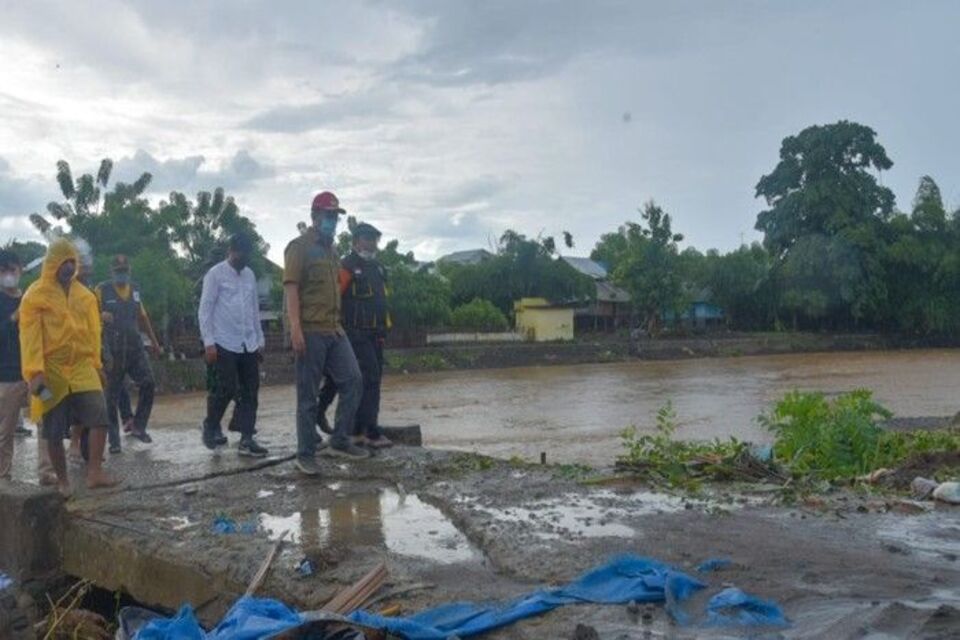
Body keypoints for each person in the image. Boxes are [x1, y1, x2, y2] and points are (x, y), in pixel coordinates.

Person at [19, 239, 117, 495]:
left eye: (72, 261)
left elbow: (94, 332)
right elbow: (29, 335)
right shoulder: (34, 295)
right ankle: (62, 480)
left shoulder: (85, 295)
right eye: (64, 261)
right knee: (53, 428)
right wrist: (34, 372)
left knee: (99, 414)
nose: (69, 266)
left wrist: (97, 365)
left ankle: (94, 472)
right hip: (49, 372)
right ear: (52, 262)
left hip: (83, 367)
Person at [284, 191, 366, 476]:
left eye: (335, 216)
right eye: (328, 216)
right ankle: (305, 454)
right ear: (314, 217)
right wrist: (295, 328)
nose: (333, 221)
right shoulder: (299, 248)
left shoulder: (331, 251)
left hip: (334, 329)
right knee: (307, 397)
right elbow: (291, 288)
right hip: (310, 330)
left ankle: (339, 439)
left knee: (353, 380)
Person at [315, 222, 393, 448]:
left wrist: (385, 329)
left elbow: (383, 302)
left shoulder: (379, 269)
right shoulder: (347, 267)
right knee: (365, 379)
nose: (371, 243)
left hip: (376, 335)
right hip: (353, 334)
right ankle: (366, 431)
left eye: (374, 239)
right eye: (366, 238)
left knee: (369, 380)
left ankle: (359, 428)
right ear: (356, 241)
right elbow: (333, 297)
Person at [198, 233, 268, 457]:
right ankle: (211, 424)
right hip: (223, 342)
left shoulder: (249, 275)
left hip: (248, 343)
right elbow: (205, 310)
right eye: (240, 253)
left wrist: (259, 340)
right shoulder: (215, 274)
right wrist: (208, 342)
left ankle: (247, 439)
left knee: (250, 391)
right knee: (226, 388)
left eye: (247, 254)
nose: (243, 258)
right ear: (231, 251)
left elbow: (254, 310)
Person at [0, 250, 55, 484]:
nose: (8, 275)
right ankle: (3, 475)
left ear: (21, 270)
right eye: (3, 271)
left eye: (12, 270)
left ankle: (46, 472)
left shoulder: (31, 297)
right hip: (7, 377)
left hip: (36, 375)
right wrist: (12, 319)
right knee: (5, 430)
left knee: (48, 420)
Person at [96, 255, 160, 453]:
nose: (121, 274)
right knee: (111, 397)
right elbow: (87, 315)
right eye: (118, 271)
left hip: (135, 348)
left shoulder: (135, 289)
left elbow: (143, 317)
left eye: (124, 271)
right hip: (112, 350)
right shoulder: (101, 290)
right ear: (112, 272)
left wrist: (155, 342)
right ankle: (114, 442)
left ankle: (139, 426)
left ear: (129, 271)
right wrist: (100, 316)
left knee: (148, 383)